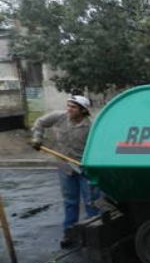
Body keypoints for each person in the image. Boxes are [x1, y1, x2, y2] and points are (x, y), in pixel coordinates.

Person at [31, 94, 100, 248]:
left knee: (91, 202)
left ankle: (94, 235)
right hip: (65, 167)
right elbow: (40, 122)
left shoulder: (91, 126)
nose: (69, 109)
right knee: (70, 202)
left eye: (73, 107)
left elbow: (99, 146)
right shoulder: (59, 117)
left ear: (83, 110)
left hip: (84, 168)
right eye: (68, 105)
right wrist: (37, 138)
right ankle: (69, 233)